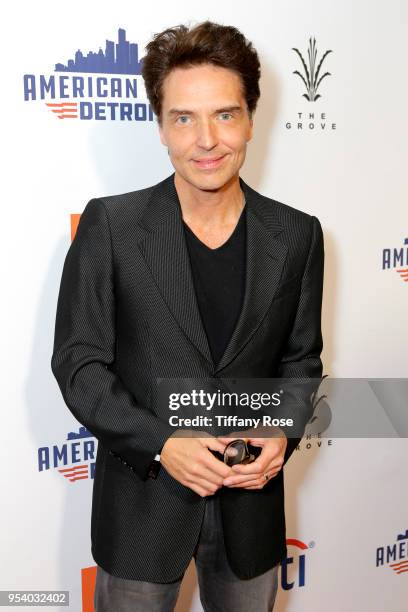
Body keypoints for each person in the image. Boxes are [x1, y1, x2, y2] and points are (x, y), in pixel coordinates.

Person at [51, 20, 324, 612]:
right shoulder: (113, 227)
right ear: (161, 128)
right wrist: (160, 443)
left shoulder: (297, 234)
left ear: (251, 119)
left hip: (251, 512)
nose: (207, 139)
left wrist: (283, 429)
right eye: (184, 118)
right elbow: (80, 365)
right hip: (144, 511)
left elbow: (301, 359)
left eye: (225, 115)